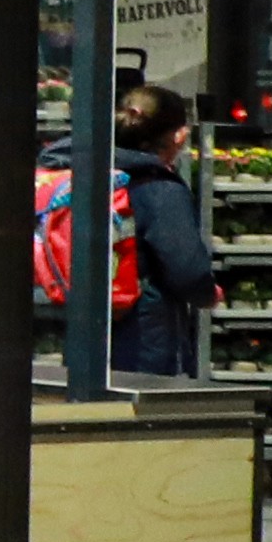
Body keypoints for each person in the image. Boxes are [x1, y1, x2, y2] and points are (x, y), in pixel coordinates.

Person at [87, 80, 220, 380]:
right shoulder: (159, 188)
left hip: (79, 332)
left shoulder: (87, 172)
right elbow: (187, 268)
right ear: (179, 136)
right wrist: (206, 293)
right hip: (143, 340)